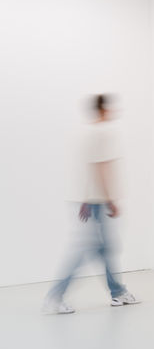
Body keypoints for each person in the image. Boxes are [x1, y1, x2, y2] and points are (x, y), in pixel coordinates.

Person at [43, 94, 139, 314]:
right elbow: (100, 168)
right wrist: (110, 200)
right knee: (89, 249)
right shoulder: (103, 132)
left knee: (105, 249)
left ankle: (117, 292)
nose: (115, 111)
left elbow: (86, 168)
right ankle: (55, 297)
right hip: (97, 201)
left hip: (87, 199)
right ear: (103, 109)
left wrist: (86, 199)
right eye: (111, 108)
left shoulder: (84, 132)